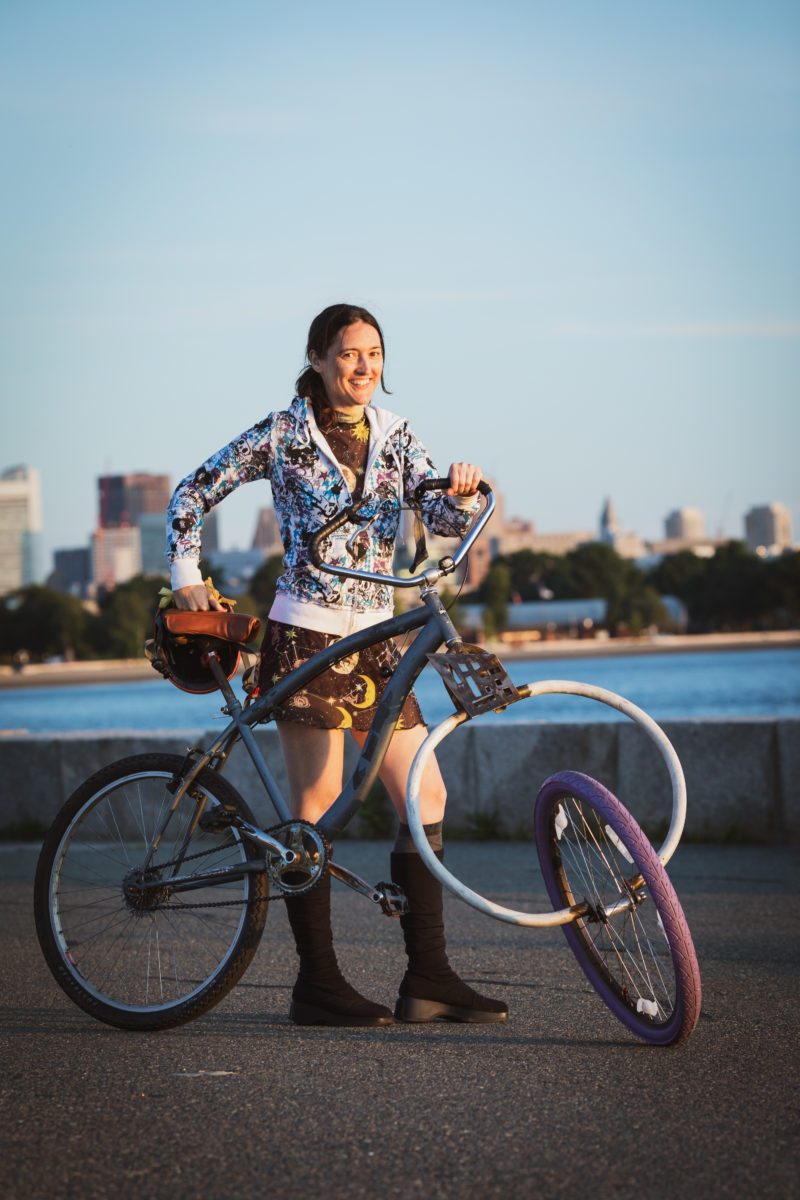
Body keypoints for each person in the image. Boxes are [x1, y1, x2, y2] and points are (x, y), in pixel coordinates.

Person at [167, 303, 507, 1028]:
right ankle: (317, 985)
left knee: (427, 795)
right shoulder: (284, 433)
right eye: (350, 354)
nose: (364, 367)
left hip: (380, 636)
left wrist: (462, 488)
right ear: (319, 358)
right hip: (311, 634)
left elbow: (437, 515)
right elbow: (193, 491)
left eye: (375, 354)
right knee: (314, 809)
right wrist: (186, 570)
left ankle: (431, 978)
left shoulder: (396, 435)